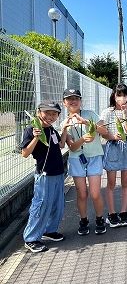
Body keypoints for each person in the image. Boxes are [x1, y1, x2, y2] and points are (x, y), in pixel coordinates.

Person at [20, 102, 68, 253]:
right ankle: (31, 238)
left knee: (57, 205)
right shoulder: (31, 129)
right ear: (39, 112)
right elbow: (25, 153)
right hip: (44, 174)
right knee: (41, 206)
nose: (51, 116)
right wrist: (36, 137)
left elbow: (61, 145)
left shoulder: (52, 129)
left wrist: (65, 129)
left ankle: (49, 230)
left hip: (59, 173)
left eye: (54, 114)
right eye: (47, 113)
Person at [62, 89, 108, 235]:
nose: (73, 101)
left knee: (95, 193)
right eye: (69, 99)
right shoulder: (65, 123)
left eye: (76, 98)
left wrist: (86, 122)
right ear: (64, 103)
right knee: (81, 194)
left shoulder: (90, 114)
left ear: (81, 101)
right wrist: (82, 139)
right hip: (77, 159)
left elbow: (104, 131)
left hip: (94, 157)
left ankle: (100, 219)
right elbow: (72, 147)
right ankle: (83, 220)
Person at [100, 84, 127, 228]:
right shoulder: (107, 112)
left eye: (125, 95)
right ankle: (112, 213)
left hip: (125, 147)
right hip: (112, 147)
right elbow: (101, 129)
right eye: (119, 95)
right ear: (114, 96)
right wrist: (112, 136)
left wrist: (125, 114)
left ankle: (124, 212)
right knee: (111, 183)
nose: (122, 98)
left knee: (125, 182)